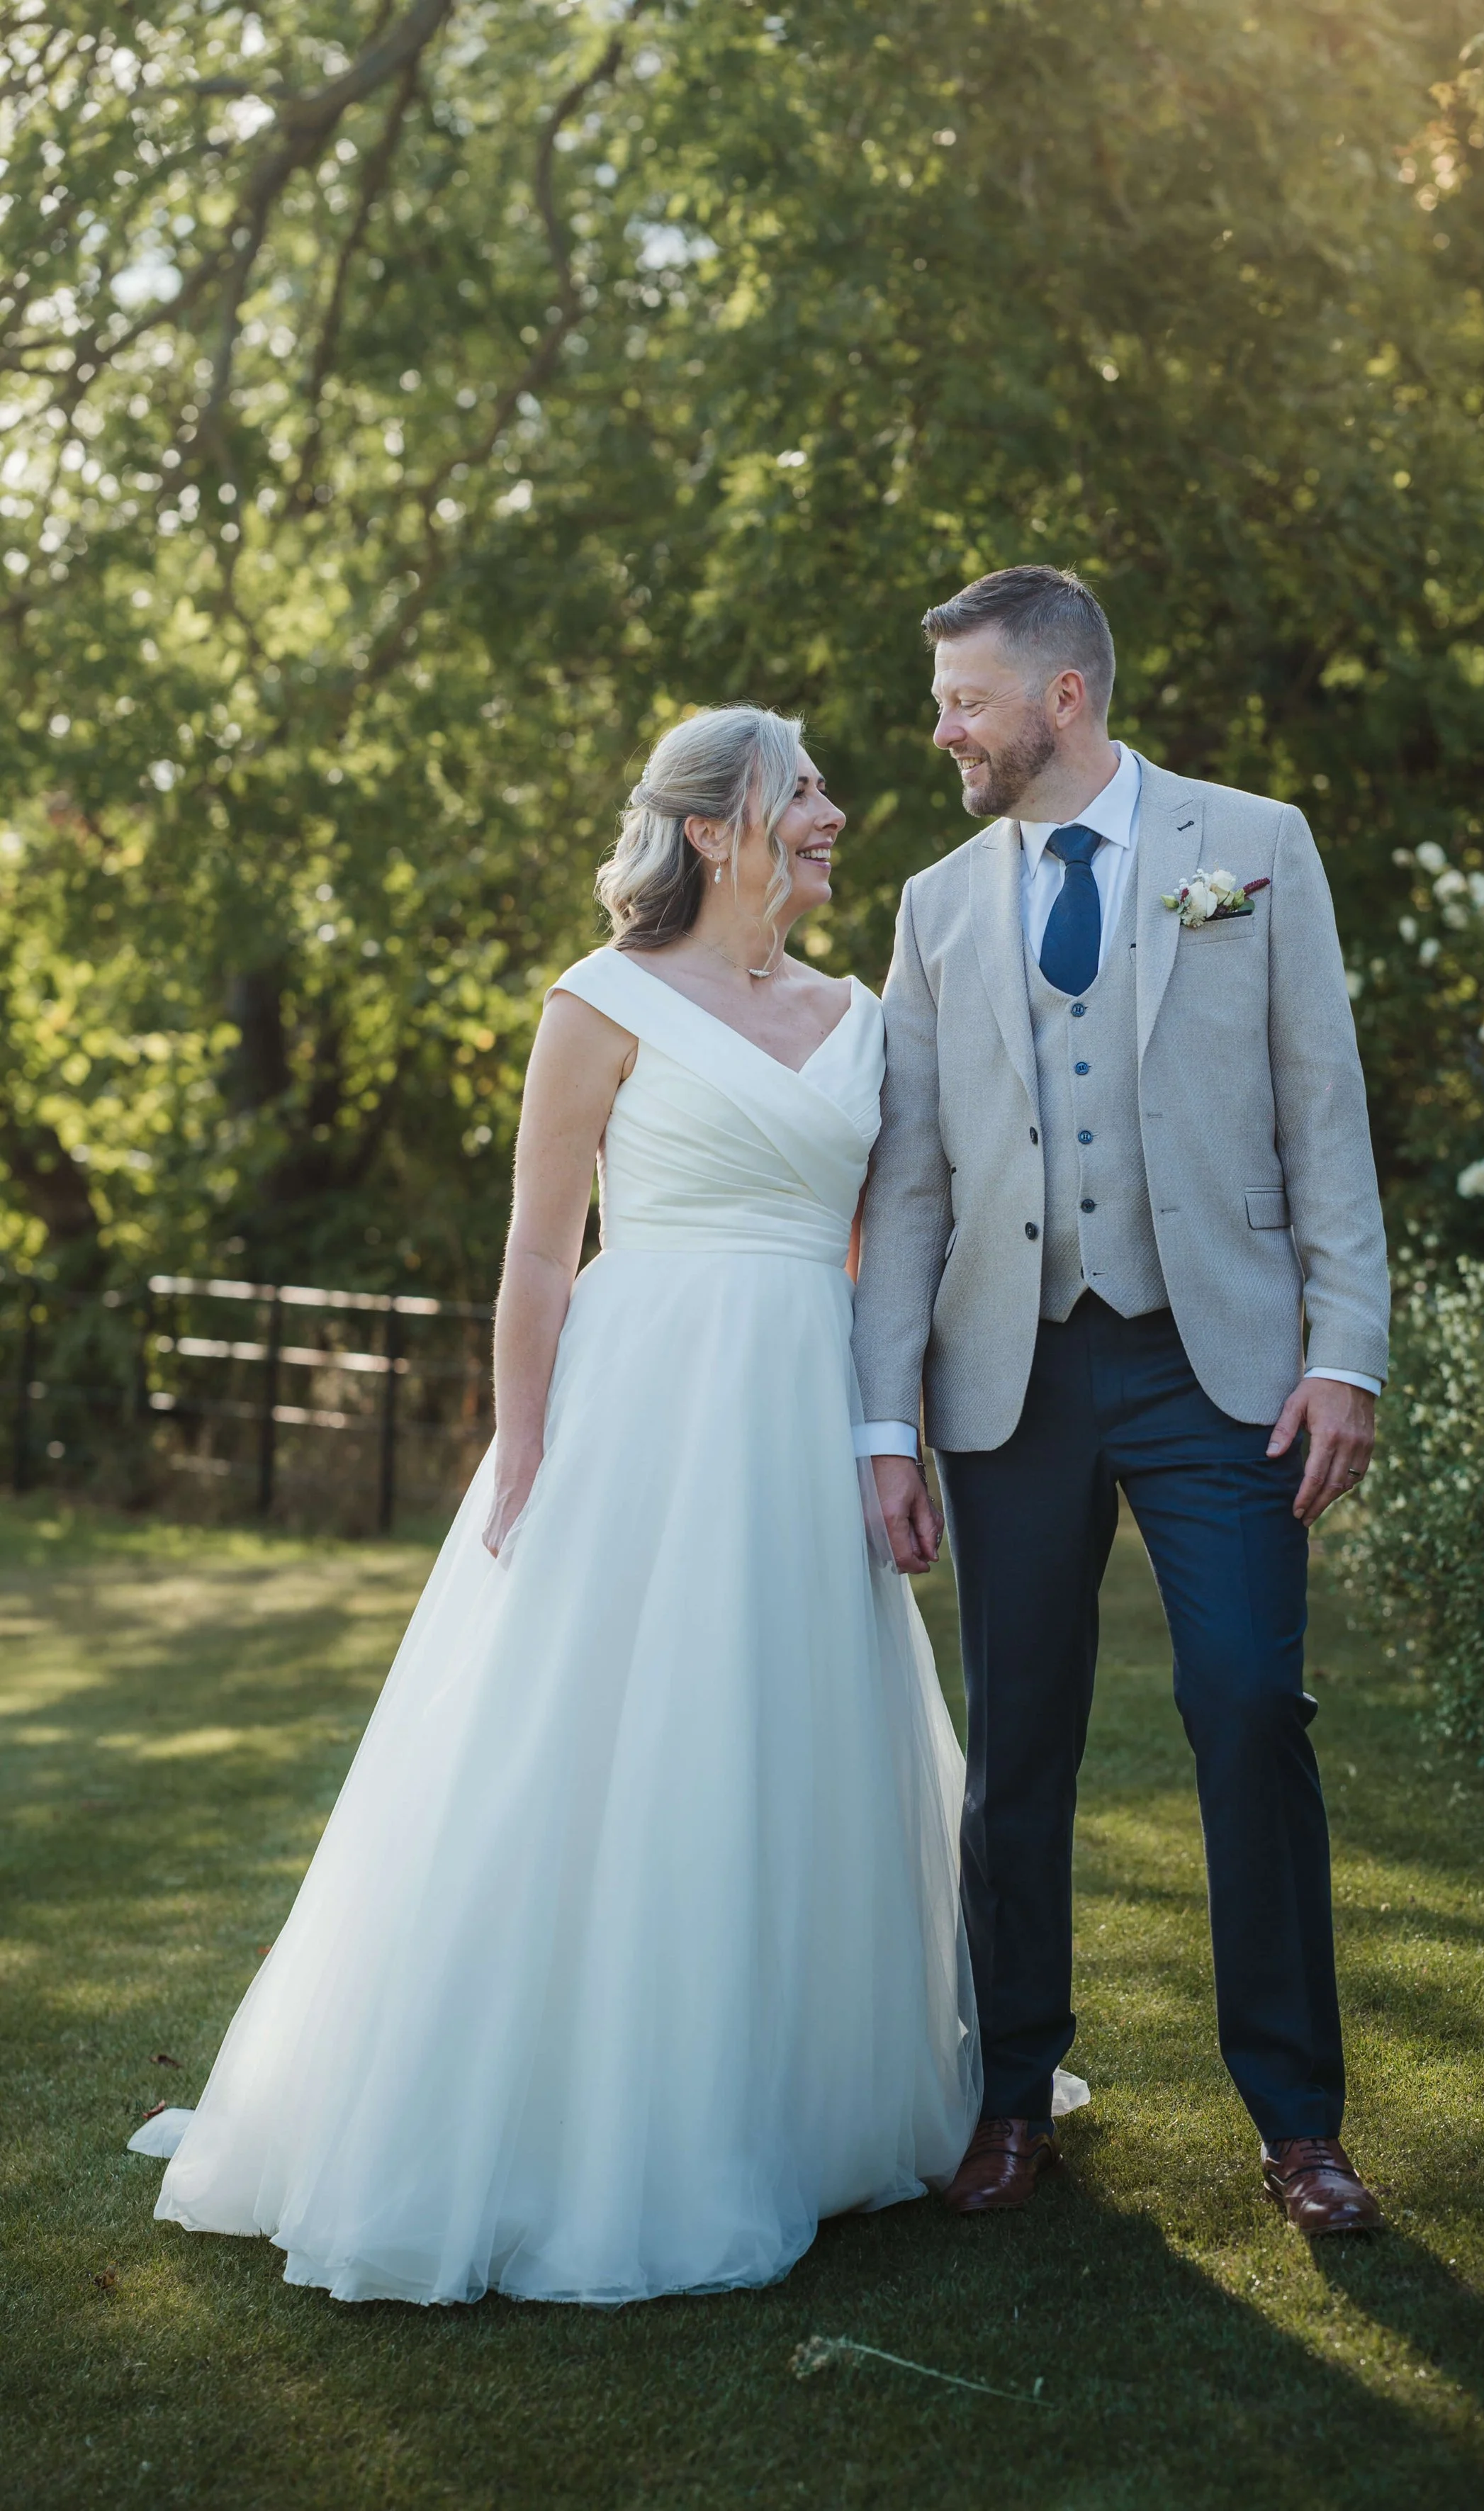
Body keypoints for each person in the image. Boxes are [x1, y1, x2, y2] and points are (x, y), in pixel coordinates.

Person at [129, 705, 982, 2305]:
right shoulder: (597, 1003)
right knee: (603, 1735)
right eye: (800, 793)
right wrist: (524, 1440)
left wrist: (889, 1428)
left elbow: (889, 1245)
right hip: (638, 1401)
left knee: (787, 1731)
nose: (831, 813)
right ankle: (566, 2117)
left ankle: (791, 2104)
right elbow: (536, 1249)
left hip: (799, 1404)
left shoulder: (866, 1014)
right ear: (718, 823)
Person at [853, 566, 1390, 2235]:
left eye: (962, 699)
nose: (940, 727)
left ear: (1060, 697)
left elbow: (1323, 1106)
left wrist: (1343, 1348)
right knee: (1018, 1751)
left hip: (1212, 1361)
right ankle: (1012, 2098)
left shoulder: (1253, 844)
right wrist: (887, 1420)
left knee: (1247, 1711)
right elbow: (915, 1186)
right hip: (1006, 1374)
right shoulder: (936, 903)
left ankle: (1296, 2123)